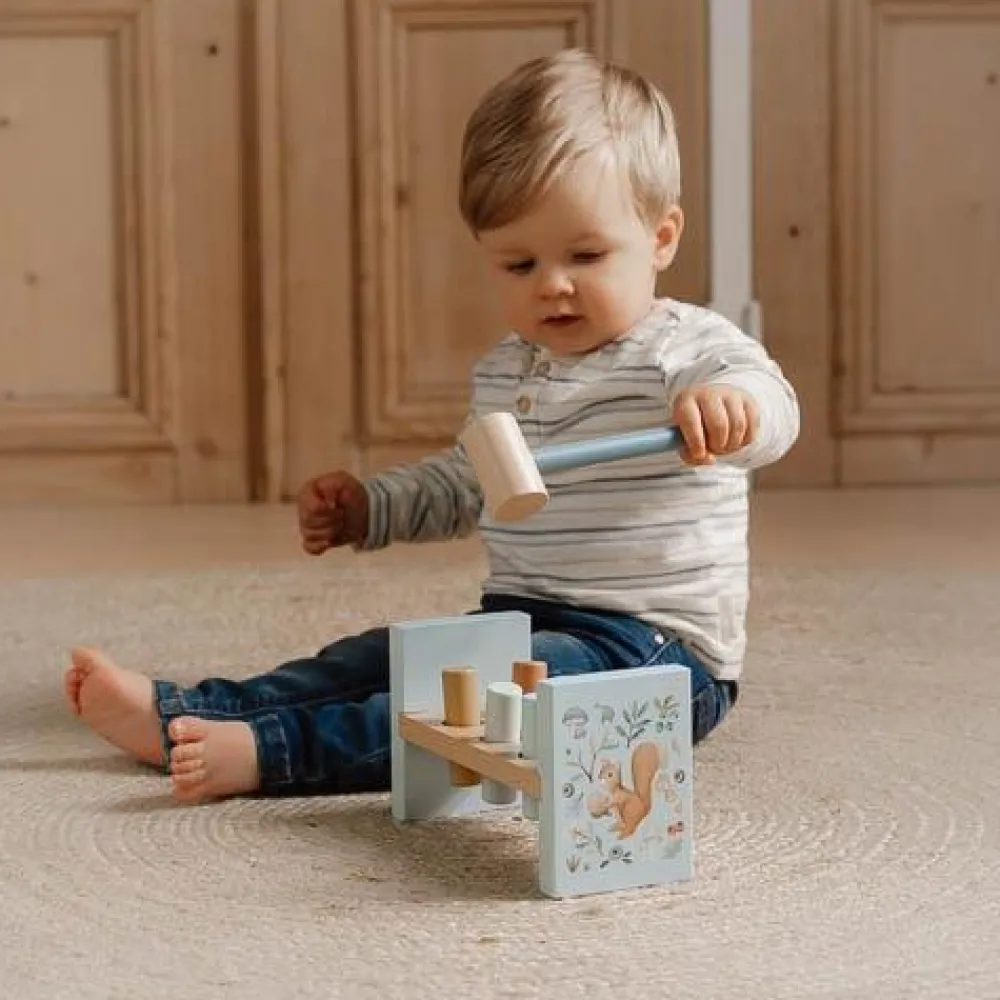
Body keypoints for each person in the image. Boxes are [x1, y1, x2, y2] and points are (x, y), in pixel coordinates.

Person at [65, 48, 799, 804]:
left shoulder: (686, 351)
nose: (553, 285)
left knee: (467, 711)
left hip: (657, 653)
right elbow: (465, 482)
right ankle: (186, 714)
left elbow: (773, 405)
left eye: (586, 255)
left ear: (661, 238)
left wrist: (733, 407)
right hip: (523, 619)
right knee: (376, 660)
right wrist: (371, 508)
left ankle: (269, 754)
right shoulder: (508, 371)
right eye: (519, 265)